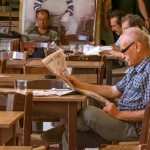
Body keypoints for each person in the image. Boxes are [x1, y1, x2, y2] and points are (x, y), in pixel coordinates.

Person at [62, 27, 150, 149]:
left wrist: (119, 114)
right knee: (70, 135)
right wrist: (79, 84)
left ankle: (66, 125)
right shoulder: (135, 67)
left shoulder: (148, 71)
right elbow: (113, 91)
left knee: (87, 113)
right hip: (121, 120)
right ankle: (67, 127)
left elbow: (149, 113)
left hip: (133, 127)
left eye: (124, 51)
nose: (123, 56)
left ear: (137, 46)